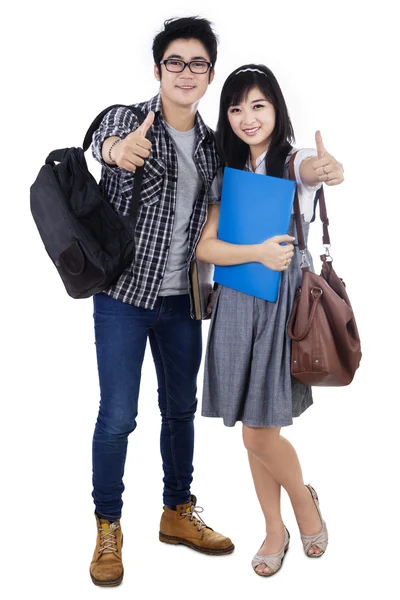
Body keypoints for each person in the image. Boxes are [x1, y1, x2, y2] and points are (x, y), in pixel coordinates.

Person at [89, 17, 234, 588]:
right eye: (175, 62)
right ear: (158, 70)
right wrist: (116, 150)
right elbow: (100, 141)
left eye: (197, 63)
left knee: (179, 409)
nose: (186, 72)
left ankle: (177, 511)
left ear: (210, 75)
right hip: (123, 295)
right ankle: (107, 527)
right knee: (118, 416)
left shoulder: (212, 145)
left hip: (183, 301)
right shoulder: (131, 118)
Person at [196, 64, 344, 577]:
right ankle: (274, 529)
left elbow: (315, 169)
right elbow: (206, 247)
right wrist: (256, 251)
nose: (246, 117)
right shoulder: (228, 174)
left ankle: (303, 506)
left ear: (276, 108)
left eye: (258, 105)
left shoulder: (291, 158)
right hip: (237, 303)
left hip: (282, 307)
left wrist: (326, 168)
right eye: (236, 108)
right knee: (250, 426)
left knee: (259, 434)